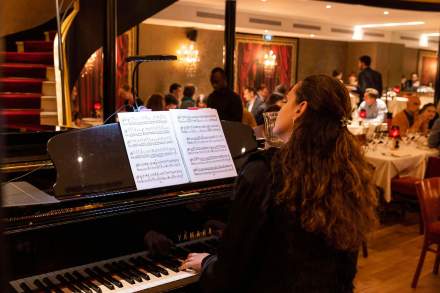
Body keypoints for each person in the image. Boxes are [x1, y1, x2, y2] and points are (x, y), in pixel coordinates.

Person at [180, 74, 378, 292]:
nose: (279, 108)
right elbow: (345, 271)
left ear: (300, 109)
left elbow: (231, 273)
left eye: (286, 101)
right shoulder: (348, 172)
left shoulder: (265, 172)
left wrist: (208, 263)